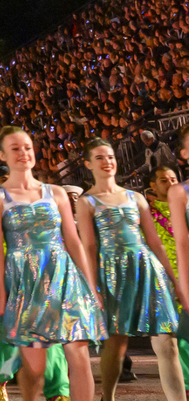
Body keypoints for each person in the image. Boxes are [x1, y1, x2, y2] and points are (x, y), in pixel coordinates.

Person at [0, 128, 103, 401]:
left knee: (79, 351)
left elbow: (73, 242)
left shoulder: (56, 193)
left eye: (27, 147)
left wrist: (90, 286)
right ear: (2, 155)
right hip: (25, 281)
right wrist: (0, 292)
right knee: (35, 368)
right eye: (15, 148)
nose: (23, 153)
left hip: (63, 276)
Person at [74, 137, 180, 401]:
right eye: (99, 157)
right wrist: (92, 284)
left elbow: (154, 241)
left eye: (110, 156)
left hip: (146, 269)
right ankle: (107, 397)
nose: (107, 162)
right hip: (111, 273)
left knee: (167, 341)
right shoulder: (87, 202)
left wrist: (173, 278)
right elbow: (88, 246)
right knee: (117, 343)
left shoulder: (135, 197)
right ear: (88, 164)